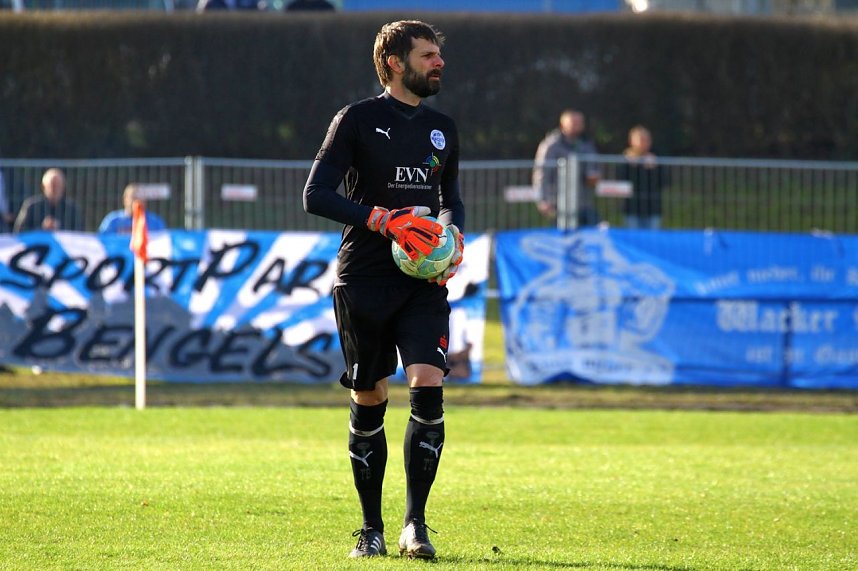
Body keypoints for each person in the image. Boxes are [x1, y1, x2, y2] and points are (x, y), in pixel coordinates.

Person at [302, 20, 464, 560]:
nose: (438, 63)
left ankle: (414, 526)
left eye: (439, 54)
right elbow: (315, 195)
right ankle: (370, 528)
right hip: (364, 278)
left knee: (428, 385)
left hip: (421, 281)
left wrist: (452, 233)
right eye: (427, 55)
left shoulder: (443, 128)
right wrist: (382, 219)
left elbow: (451, 198)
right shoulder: (356, 120)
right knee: (370, 396)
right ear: (394, 62)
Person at [532, 108, 600, 227]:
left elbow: (593, 168)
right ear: (563, 124)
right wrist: (543, 200)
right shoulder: (551, 145)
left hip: (583, 202)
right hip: (558, 203)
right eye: (574, 123)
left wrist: (593, 176)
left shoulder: (587, 143)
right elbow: (542, 173)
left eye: (580, 123)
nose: (578, 126)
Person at [618, 125, 669, 230]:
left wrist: (654, 168)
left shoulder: (657, 157)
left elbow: (665, 182)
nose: (643, 143)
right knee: (632, 239)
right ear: (632, 141)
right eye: (640, 140)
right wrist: (631, 167)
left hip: (653, 208)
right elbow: (620, 182)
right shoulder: (625, 159)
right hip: (632, 209)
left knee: (652, 240)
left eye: (646, 140)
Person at [13, 168, 83, 232]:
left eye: (58, 185)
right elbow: (19, 231)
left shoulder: (72, 209)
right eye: (52, 185)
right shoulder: (31, 206)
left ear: (63, 187)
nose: (55, 189)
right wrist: (41, 228)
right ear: (44, 187)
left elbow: (79, 233)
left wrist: (59, 227)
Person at [98, 184, 166, 235]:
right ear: (125, 199)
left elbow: (163, 243)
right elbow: (102, 241)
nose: (137, 201)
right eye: (134, 197)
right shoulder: (113, 220)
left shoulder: (155, 221)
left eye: (141, 198)